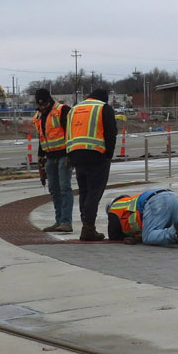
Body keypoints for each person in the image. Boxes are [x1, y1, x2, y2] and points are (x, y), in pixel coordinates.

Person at [66, 88, 118, 241]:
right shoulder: (103, 108)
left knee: (84, 191)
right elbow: (111, 134)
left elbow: (68, 132)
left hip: (75, 154)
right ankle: (88, 227)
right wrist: (108, 155)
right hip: (96, 155)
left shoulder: (74, 109)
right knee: (94, 192)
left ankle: (86, 224)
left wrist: (70, 155)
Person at [106, 189, 178, 248]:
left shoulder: (114, 210)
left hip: (157, 202)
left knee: (148, 237)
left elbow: (113, 236)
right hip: (173, 197)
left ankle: (174, 232)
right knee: (175, 232)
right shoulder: (129, 201)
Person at [32, 88, 73, 233]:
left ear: (49, 101)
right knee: (54, 189)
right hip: (50, 157)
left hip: (64, 155)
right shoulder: (38, 116)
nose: (43, 107)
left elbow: (70, 133)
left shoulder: (62, 111)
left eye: (45, 104)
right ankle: (59, 220)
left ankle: (66, 222)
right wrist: (40, 157)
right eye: (40, 105)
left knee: (64, 188)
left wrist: (71, 154)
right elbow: (42, 137)